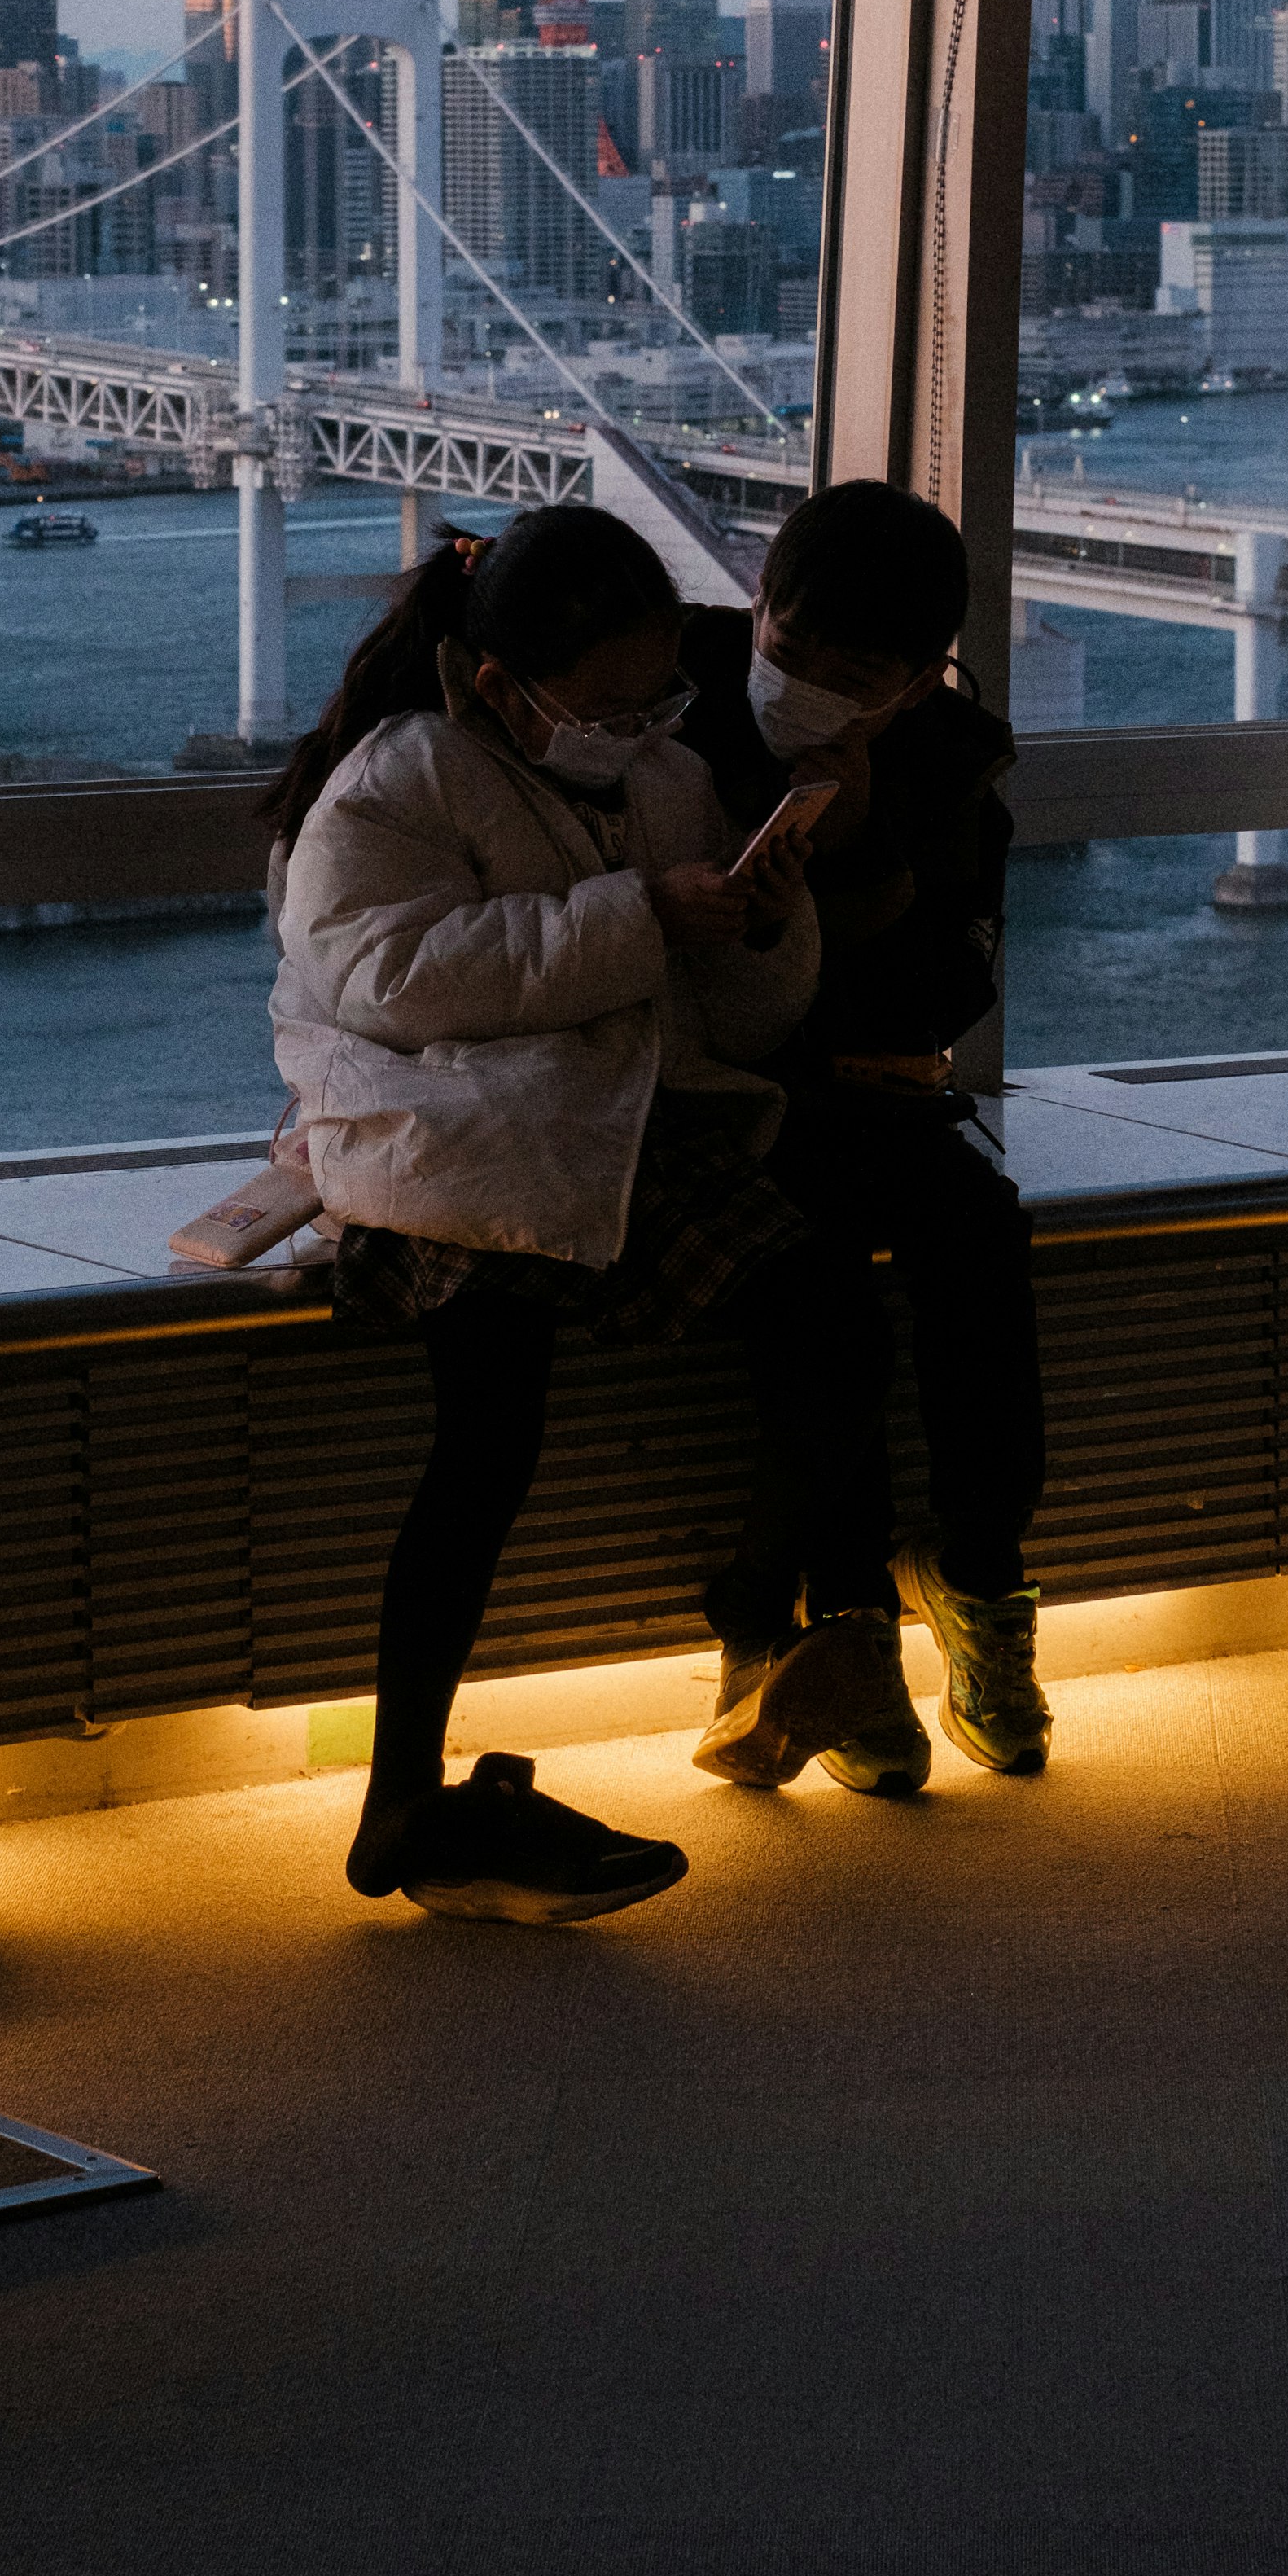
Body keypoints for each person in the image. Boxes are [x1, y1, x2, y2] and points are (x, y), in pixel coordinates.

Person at [268, 501, 918, 1924]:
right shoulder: (400, 777)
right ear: (501, 684)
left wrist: (761, 921)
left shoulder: (669, 781)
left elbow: (733, 1017)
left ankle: (757, 1617)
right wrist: (643, 917)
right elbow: (388, 980)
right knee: (485, 1444)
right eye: (610, 703)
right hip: (439, 1148)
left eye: (657, 699)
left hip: (612, 1124)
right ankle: (402, 1795)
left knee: (828, 1319)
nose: (640, 726)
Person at [677, 481, 1053, 1788]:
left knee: (982, 1241)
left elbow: (955, 989)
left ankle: (979, 1577)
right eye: (789, 654)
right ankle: (849, 1625)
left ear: (915, 682)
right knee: (814, 1277)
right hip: (713, 1092)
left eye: (858, 676)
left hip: (872, 1088)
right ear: (755, 609)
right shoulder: (672, 707)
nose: (811, 689)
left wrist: (863, 840)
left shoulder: (950, 762)